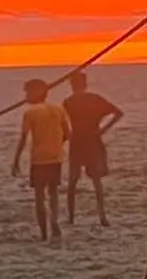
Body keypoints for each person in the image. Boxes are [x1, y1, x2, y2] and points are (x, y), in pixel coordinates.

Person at [11, 78, 71, 242]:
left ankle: (44, 233)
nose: (26, 96)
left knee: (39, 196)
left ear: (35, 93)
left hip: (39, 160)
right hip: (56, 158)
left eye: (27, 92)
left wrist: (16, 161)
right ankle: (54, 222)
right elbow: (68, 134)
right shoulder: (58, 109)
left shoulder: (30, 112)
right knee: (53, 193)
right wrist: (56, 145)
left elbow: (23, 138)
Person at [60, 71, 122, 227]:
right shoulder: (94, 99)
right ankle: (102, 216)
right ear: (85, 83)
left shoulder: (68, 102)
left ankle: (71, 218)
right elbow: (118, 113)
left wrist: (63, 140)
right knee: (96, 181)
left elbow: (63, 125)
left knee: (73, 182)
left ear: (72, 85)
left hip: (78, 142)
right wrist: (103, 130)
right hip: (92, 140)